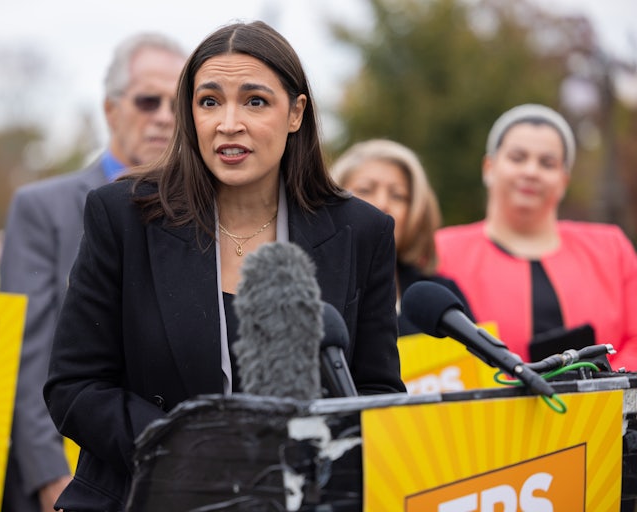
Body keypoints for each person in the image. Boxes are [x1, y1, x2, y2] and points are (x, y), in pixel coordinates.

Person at [43, 20, 406, 510]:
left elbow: (376, 392)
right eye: (209, 101)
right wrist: (192, 454)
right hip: (143, 494)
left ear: (296, 112)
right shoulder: (123, 216)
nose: (228, 122)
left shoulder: (361, 232)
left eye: (255, 101)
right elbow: (75, 386)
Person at [0, 34, 186, 512]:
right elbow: (27, 354)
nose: (164, 115)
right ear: (111, 109)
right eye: (148, 100)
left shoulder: (209, 215)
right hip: (77, 481)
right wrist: (50, 478)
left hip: (177, 478)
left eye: (178, 102)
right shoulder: (44, 209)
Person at [435, 103, 637, 371]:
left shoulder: (611, 248)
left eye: (547, 163)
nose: (531, 171)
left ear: (564, 179)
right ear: (489, 167)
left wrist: (604, 392)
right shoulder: (441, 252)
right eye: (518, 158)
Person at [330, 138, 473, 336]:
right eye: (365, 190)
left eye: (397, 196)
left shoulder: (441, 296)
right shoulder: (310, 293)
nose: (382, 204)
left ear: (414, 212)